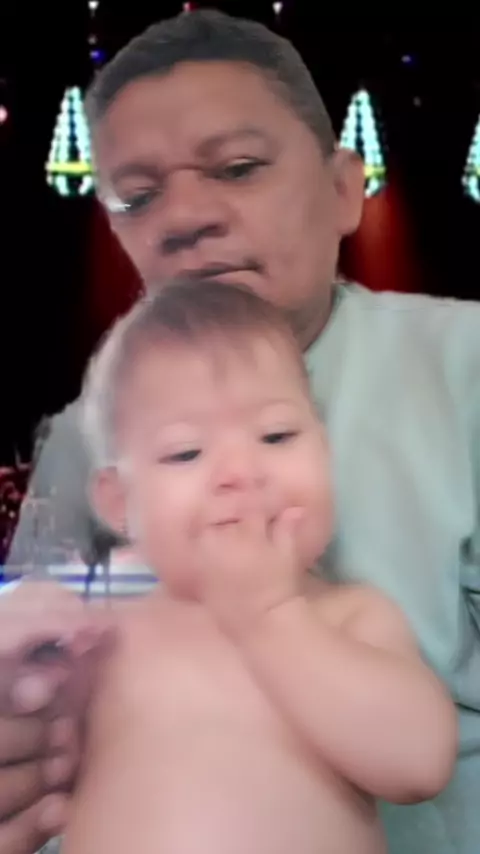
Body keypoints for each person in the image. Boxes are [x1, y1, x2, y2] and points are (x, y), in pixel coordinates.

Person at [0, 9, 479, 854]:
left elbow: (418, 756)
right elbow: (31, 703)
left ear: (344, 190)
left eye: (238, 168)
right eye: (138, 197)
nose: (183, 216)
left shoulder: (465, 366)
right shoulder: (88, 435)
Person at [63, 279, 456, 854]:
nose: (241, 472)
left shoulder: (348, 617)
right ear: (121, 503)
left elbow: (420, 764)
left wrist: (271, 617)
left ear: (324, 453)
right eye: (186, 452)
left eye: (276, 436)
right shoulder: (105, 628)